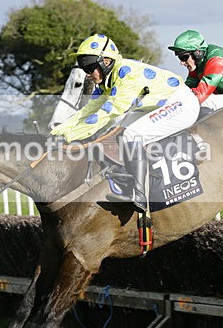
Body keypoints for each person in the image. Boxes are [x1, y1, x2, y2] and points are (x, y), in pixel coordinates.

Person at [50, 33, 200, 212]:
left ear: (106, 61)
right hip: (159, 104)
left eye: (89, 67)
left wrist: (69, 136)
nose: (88, 74)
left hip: (181, 104)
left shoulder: (126, 75)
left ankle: (139, 195)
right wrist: (57, 132)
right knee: (115, 132)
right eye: (84, 69)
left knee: (131, 135)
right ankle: (126, 179)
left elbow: (106, 113)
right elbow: (87, 111)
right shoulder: (106, 81)